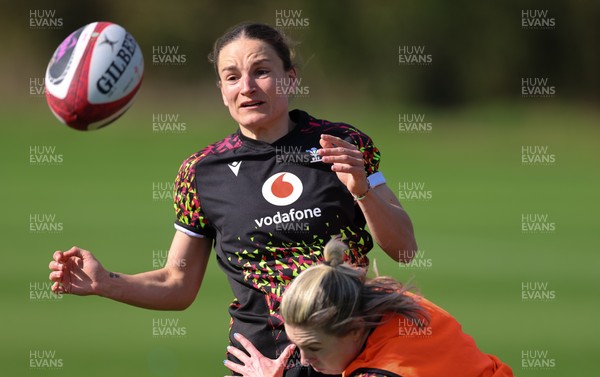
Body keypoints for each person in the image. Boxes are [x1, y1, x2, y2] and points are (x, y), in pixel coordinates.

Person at [48, 22, 417, 377]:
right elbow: (177, 282)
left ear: (290, 77)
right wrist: (106, 282)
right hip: (260, 363)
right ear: (221, 90)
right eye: (232, 76)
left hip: (351, 356)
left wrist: (361, 190)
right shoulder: (201, 172)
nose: (247, 87)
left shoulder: (341, 143)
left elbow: (404, 249)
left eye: (261, 71)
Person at [226, 238, 514, 377]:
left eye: (313, 347)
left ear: (353, 329)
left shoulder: (381, 373)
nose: (303, 360)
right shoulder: (397, 305)